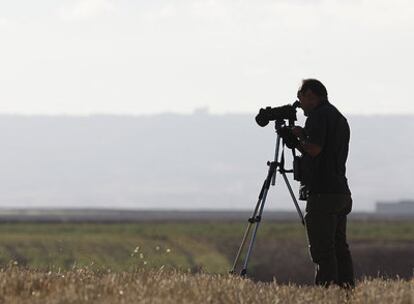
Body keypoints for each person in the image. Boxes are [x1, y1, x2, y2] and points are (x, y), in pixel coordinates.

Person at [281, 79, 355, 288]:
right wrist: (302, 135)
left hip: (323, 194)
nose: (300, 104)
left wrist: (298, 141)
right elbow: (326, 148)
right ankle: (347, 294)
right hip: (340, 192)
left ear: (311, 95)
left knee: (323, 250)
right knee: (340, 248)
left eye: (301, 99)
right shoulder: (338, 117)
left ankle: (326, 294)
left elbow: (314, 150)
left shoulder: (317, 116)